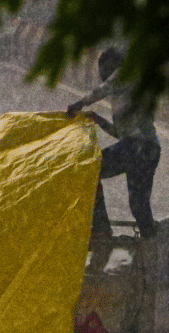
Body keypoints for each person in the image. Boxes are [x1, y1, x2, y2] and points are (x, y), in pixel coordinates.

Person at [66, 47, 162, 238]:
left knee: (89, 170)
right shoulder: (126, 94)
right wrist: (99, 120)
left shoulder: (125, 74)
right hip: (148, 150)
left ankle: (100, 226)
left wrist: (79, 104)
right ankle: (149, 240)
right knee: (138, 204)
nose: (101, 75)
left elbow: (101, 90)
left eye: (103, 70)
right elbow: (122, 134)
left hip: (136, 148)